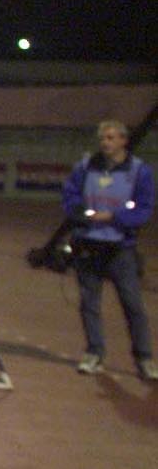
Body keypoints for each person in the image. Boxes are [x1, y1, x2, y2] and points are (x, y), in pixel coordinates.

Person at [62, 120, 156, 380]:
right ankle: (94, 352)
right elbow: (70, 194)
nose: (105, 142)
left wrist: (114, 218)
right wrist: (78, 211)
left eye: (111, 138)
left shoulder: (139, 171)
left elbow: (144, 209)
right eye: (103, 138)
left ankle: (144, 358)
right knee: (89, 303)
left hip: (120, 248)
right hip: (89, 245)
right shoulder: (85, 166)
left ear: (124, 141)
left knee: (133, 305)